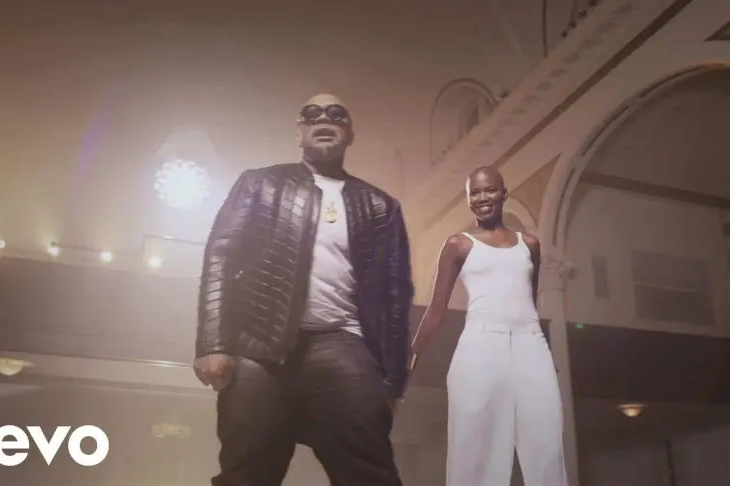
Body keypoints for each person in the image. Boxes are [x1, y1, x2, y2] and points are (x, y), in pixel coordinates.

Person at [192, 93, 414, 486]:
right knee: (247, 473)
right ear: (299, 131)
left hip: (341, 342)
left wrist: (393, 383)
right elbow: (220, 255)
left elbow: (397, 297)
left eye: (336, 115)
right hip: (258, 343)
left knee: (371, 473)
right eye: (312, 114)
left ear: (350, 134)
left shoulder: (380, 205)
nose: (323, 119)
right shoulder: (259, 183)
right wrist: (212, 341)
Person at [409, 167, 567, 486]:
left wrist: (540, 352)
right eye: (475, 193)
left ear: (503, 194)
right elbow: (437, 311)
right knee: (476, 452)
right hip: (479, 347)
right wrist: (408, 361)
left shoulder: (530, 244)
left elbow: (530, 303)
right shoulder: (458, 245)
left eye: (490, 190)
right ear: (469, 200)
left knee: (547, 446)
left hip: (530, 343)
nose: (483, 198)